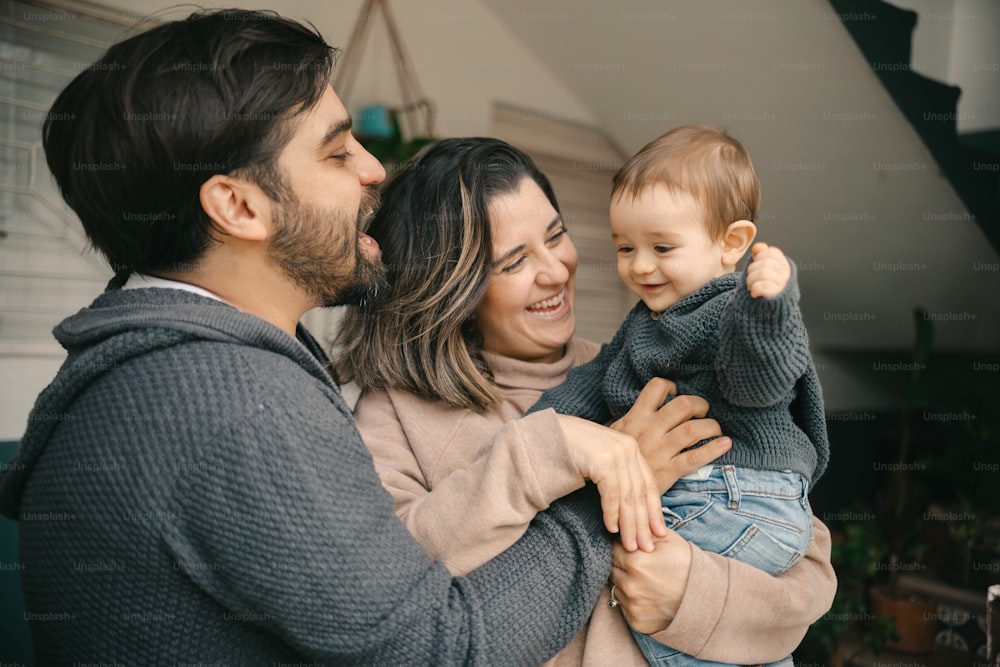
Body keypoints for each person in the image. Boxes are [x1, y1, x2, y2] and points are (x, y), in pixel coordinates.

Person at [0, 10, 649, 665]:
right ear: (240, 207)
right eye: (338, 151)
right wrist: (601, 499)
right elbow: (435, 649)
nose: (373, 169)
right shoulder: (237, 404)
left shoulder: (161, 370)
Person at [335, 137, 837, 666]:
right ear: (450, 290)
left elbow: (806, 560)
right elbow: (386, 583)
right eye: (513, 262)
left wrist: (693, 595)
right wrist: (553, 458)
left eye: (557, 237)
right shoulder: (397, 412)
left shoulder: (638, 369)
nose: (555, 271)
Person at [528, 124, 830, 666]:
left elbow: (758, 381)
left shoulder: (731, 308)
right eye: (626, 247)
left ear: (731, 243)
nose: (640, 266)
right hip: (730, 497)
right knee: (712, 635)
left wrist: (769, 307)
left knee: (633, 572)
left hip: (739, 493)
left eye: (662, 247)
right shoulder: (649, 321)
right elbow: (596, 382)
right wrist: (539, 432)